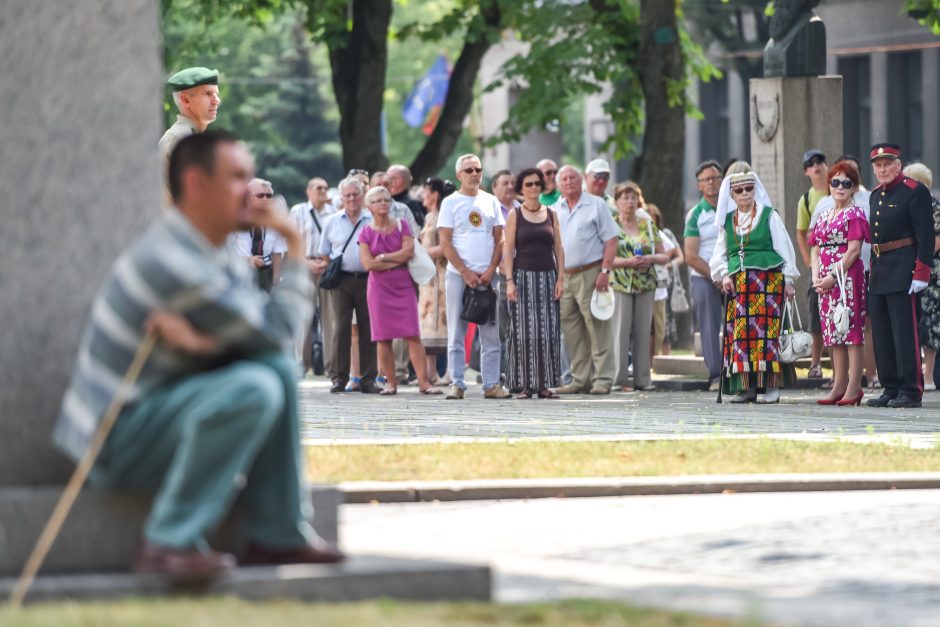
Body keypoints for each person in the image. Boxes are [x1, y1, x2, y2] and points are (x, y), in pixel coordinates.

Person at [53, 132, 343, 581]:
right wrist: (296, 247)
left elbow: (259, 344)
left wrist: (205, 345)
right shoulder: (175, 262)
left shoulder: (207, 249)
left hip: (158, 412)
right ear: (196, 183)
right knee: (257, 384)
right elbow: (277, 333)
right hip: (114, 440)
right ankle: (167, 542)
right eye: (237, 178)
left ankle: (277, 533)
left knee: (276, 372)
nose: (251, 192)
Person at [710, 171, 799, 403]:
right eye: (739, 190)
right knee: (741, 338)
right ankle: (746, 388)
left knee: (766, 336)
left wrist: (788, 280)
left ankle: (771, 387)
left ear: (755, 189)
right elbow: (719, 254)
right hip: (739, 288)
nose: (744, 194)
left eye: (749, 189)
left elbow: (784, 247)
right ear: (731, 194)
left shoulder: (769, 216)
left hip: (766, 284)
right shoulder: (728, 221)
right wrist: (724, 275)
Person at [866, 144, 934, 408]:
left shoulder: (914, 192)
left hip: (905, 269)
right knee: (882, 333)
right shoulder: (874, 195)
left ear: (898, 164)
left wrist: (921, 272)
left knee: (905, 333)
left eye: (887, 164)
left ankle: (910, 390)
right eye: (878, 165)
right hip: (880, 270)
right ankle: (890, 387)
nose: (882, 169)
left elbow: (925, 236)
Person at [438, 154, 511, 400]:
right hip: (459, 276)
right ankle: (457, 383)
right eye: (468, 170)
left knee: (490, 331)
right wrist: (465, 271)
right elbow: (445, 242)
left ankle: (491, 384)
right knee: (456, 331)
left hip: (489, 276)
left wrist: (491, 269)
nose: (474, 174)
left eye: (478, 169)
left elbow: (499, 238)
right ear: (459, 175)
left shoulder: (491, 201)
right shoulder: (450, 203)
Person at [357, 186, 441, 395]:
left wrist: (384, 258)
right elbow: (368, 264)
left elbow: (409, 252)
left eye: (386, 199)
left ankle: (423, 382)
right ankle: (390, 383)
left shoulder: (402, 225)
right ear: (369, 206)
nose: (383, 203)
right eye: (377, 200)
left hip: (403, 286)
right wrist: (396, 259)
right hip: (378, 289)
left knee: (412, 334)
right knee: (383, 337)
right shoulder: (365, 232)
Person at [554, 165, 620, 395]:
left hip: (591, 273)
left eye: (573, 177)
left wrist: (605, 271)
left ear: (581, 179)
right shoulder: (555, 209)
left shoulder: (596, 204)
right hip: (565, 276)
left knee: (597, 326)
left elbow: (611, 240)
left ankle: (603, 378)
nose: (569, 181)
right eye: (564, 179)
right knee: (572, 330)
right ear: (558, 184)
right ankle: (580, 378)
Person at [809, 161, 870, 406]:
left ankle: (854, 388)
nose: (840, 187)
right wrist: (816, 276)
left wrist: (833, 276)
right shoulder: (823, 214)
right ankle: (838, 385)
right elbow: (815, 248)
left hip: (846, 278)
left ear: (854, 187)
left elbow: (854, 250)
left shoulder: (855, 214)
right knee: (833, 332)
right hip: (824, 278)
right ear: (829, 185)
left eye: (847, 183)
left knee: (851, 331)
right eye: (835, 182)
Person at [502, 168, 565, 399]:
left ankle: (545, 383)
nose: (534, 188)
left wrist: (560, 277)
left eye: (537, 183)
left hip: (548, 276)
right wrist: (509, 280)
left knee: (548, 329)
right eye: (529, 184)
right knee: (523, 330)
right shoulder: (514, 215)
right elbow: (508, 249)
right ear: (521, 188)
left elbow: (558, 247)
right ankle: (525, 384)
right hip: (523, 276)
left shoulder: (551, 213)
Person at [318, 178, 380, 394]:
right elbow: (324, 251)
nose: (352, 199)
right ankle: (339, 378)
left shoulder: (372, 219)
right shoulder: (332, 221)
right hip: (342, 280)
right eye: (348, 195)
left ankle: (368, 378)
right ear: (341, 198)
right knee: (341, 329)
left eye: (355, 194)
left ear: (363, 195)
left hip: (368, 278)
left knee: (369, 328)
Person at [610, 184, 669, 391]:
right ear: (616, 202)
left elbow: (664, 255)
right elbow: (605, 259)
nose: (630, 202)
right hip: (620, 284)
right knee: (620, 332)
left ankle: (643, 379)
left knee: (643, 331)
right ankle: (618, 379)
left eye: (634, 198)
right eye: (625, 198)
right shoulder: (612, 226)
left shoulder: (648, 225)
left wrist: (649, 258)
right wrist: (627, 262)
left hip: (646, 282)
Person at [289, 177, 336, 376]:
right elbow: (289, 240)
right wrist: (305, 262)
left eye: (326, 188)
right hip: (304, 264)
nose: (323, 191)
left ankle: (331, 365)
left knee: (330, 317)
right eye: (319, 188)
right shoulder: (298, 211)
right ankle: (303, 362)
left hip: (327, 265)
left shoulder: (333, 213)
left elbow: (337, 240)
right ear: (309, 191)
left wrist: (328, 262)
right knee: (304, 316)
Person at [684, 160, 724, 390]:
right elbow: (690, 255)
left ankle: (737, 370)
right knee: (709, 326)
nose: (711, 183)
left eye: (715, 178)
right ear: (699, 185)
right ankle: (716, 375)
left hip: (730, 275)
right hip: (704, 275)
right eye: (706, 180)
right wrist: (716, 276)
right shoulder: (695, 214)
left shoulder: (732, 208)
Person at [902, 163, 940, 391]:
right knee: (913, 323)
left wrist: (916, 257)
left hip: (931, 273)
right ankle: (913, 375)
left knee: (930, 324)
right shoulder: (907, 205)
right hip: (907, 269)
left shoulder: (934, 206)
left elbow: (936, 241)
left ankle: (928, 378)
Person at [795, 149, 829, 379]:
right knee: (816, 314)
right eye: (811, 163)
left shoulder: (838, 189)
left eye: (820, 161)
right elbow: (800, 232)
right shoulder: (806, 199)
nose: (816, 166)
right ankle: (815, 363)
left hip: (841, 262)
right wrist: (808, 263)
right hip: (818, 265)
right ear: (806, 171)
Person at [418, 178, 456, 384]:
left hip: (442, 274)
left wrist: (421, 253)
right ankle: (430, 371)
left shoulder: (443, 216)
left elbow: (445, 247)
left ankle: (451, 370)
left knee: (445, 320)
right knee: (428, 323)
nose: (423, 195)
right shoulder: (429, 216)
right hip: (428, 279)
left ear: (434, 194)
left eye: (426, 191)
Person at [228, 179, 286, 292]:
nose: (265, 199)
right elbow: (225, 250)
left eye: (269, 196)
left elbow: (277, 254)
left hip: (266, 273)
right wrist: (247, 260)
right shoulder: (236, 219)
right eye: (261, 195)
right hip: (241, 271)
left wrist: (276, 282)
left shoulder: (276, 221)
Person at [491, 169, 518, 384]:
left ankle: (516, 370)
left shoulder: (523, 210)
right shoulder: (489, 210)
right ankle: (498, 371)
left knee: (518, 325)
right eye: (505, 182)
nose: (510, 186)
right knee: (500, 324)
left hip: (522, 273)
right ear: (494, 187)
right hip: (498, 275)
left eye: (512, 182)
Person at [647, 203, 683, 357]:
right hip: (646, 283)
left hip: (662, 283)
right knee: (649, 325)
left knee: (663, 322)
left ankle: (663, 357)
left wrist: (667, 264)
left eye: (651, 217)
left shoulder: (664, 234)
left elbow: (679, 256)